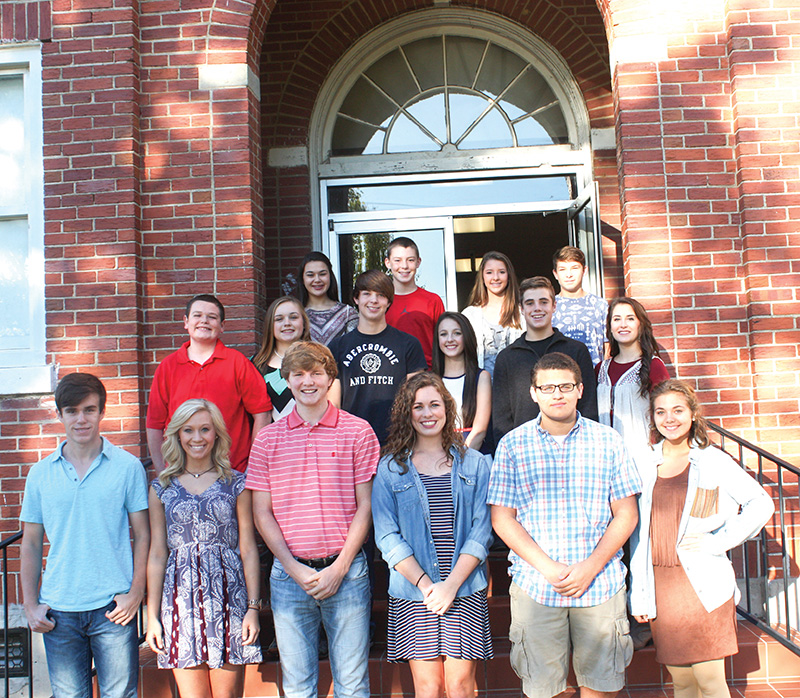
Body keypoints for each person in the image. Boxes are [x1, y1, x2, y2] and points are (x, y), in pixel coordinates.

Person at [488, 353, 641, 698]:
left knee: (600, 686)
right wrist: (548, 568)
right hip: (536, 585)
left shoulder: (608, 441)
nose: (557, 394)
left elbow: (626, 514)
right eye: (548, 387)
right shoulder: (512, 446)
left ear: (579, 390)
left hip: (600, 583)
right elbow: (502, 518)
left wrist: (590, 567)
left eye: (565, 386)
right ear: (534, 393)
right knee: (543, 689)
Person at [248, 341, 380, 698]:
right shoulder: (267, 440)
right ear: (286, 381)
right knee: (297, 685)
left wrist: (339, 567)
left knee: (352, 684)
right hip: (290, 578)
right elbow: (262, 511)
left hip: (347, 573)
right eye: (299, 374)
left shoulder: (358, 431)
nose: (308, 381)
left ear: (329, 378)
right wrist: (293, 567)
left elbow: (365, 506)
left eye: (316, 373)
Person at [629, 380, 774, 698]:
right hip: (660, 587)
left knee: (710, 682)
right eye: (661, 411)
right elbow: (635, 534)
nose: (669, 418)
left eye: (678, 410)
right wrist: (638, 593)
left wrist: (719, 541)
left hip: (703, 586)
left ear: (692, 414)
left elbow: (761, 503)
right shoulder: (642, 462)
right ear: (652, 418)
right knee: (681, 683)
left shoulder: (713, 461)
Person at [20, 373, 149, 698]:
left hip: (113, 608)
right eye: (72, 410)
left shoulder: (127, 467)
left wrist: (135, 594)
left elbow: (143, 535)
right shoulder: (40, 474)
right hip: (59, 610)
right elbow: (31, 542)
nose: (81, 419)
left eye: (89, 410)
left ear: (102, 412)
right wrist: (30, 604)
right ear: (60, 414)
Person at [372, 372, 493, 698]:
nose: (427, 414)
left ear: (447, 408)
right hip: (415, 594)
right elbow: (387, 536)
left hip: (464, 589)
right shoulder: (389, 468)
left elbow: (482, 530)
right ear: (407, 413)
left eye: (435, 405)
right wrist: (429, 587)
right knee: (428, 689)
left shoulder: (476, 464)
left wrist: (450, 585)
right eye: (418, 406)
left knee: (460, 687)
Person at [146, 399, 262, 698]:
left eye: (204, 429)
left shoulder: (236, 483)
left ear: (216, 434)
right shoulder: (162, 488)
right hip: (179, 603)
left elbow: (248, 549)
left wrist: (252, 608)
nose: (197, 438)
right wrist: (152, 614)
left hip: (228, 598)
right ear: (177, 435)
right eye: (189, 430)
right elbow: (158, 553)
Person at [146, 294, 272, 472]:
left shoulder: (238, 363)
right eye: (197, 315)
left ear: (222, 326)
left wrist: (253, 468)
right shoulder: (168, 367)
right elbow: (154, 425)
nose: (204, 321)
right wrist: (162, 473)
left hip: (231, 474)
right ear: (186, 322)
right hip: (181, 475)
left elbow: (262, 414)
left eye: (212, 317)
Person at [492, 276, 598, 444]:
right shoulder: (507, 358)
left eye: (543, 302)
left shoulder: (576, 351)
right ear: (521, 308)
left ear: (554, 306)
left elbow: (589, 407)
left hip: (574, 447)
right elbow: (501, 418)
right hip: (524, 451)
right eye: (530, 303)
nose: (537, 308)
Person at [329, 269, 427, 445]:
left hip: (399, 442)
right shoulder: (338, 347)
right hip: (352, 442)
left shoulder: (408, 345)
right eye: (367, 294)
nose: (373, 300)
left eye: (380, 295)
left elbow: (416, 398)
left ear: (389, 301)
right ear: (356, 299)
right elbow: (333, 405)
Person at [596, 297, 670, 455]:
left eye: (630, 318)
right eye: (617, 319)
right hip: (605, 456)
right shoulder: (600, 369)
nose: (623, 324)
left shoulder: (653, 366)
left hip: (641, 457)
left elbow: (665, 412)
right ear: (610, 326)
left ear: (640, 324)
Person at [431, 311, 492, 451]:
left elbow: (480, 431)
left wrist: (460, 461)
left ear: (467, 337)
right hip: (436, 459)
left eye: (457, 333)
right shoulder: (429, 380)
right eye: (443, 334)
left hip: (473, 457)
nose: (450, 339)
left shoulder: (481, 377)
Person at [384, 236, 445, 368]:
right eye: (397, 260)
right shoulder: (381, 302)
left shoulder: (433, 301)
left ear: (418, 262)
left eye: (410, 260)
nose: (404, 266)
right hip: (390, 375)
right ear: (388, 263)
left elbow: (443, 343)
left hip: (426, 375)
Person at [461, 251, 523, 378]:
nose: (495, 277)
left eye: (501, 272)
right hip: (480, 389)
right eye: (489, 272)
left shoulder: (522, 312)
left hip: (515, 387)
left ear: (509, 276)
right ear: (482, 277)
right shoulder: (469, 315)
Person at [251, 296, 311, 422]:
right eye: (279, 319)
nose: (287, 323)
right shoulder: (255, 365)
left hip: (312, 439)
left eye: (293, 317)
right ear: (269, 326)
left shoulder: (319, 360)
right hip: (271, 440)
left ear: (304, 323)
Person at [551, 245, 608, 366]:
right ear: (555, 274)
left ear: (585, 270)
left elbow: (608, 346)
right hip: (560, 377)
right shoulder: (549, 307)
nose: (569, 274)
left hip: (594, 375)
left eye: (574, 268)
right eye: (562, 269)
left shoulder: (600, 305)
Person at [297, 251, 358, 345]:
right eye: (310, 275)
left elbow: (354, 349)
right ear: (302, 279)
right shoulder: (296, 314)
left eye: (322, 274)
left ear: (330, 276)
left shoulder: (347, 313)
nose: (317, 280)